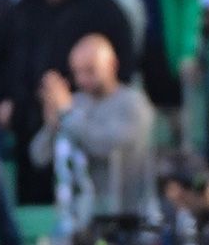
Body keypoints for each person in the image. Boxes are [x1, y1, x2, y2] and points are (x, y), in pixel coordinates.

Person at [0, 0, 136, 205]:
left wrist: (69, 107)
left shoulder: (103, 9)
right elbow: (3, 58)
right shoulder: (24, 6)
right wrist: (4, 99)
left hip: (87, 123)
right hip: (29, 122)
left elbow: (122, 68)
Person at [30, 34, 157, 216]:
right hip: (78, 213)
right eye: (77, 72)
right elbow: (39, 157)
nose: (82, 80)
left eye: (90, 71)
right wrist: (52, 125)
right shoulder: (75, 103)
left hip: (126, 211)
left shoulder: (133, 104)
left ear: (112, 65)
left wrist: (66, 113)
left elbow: (103, 145)